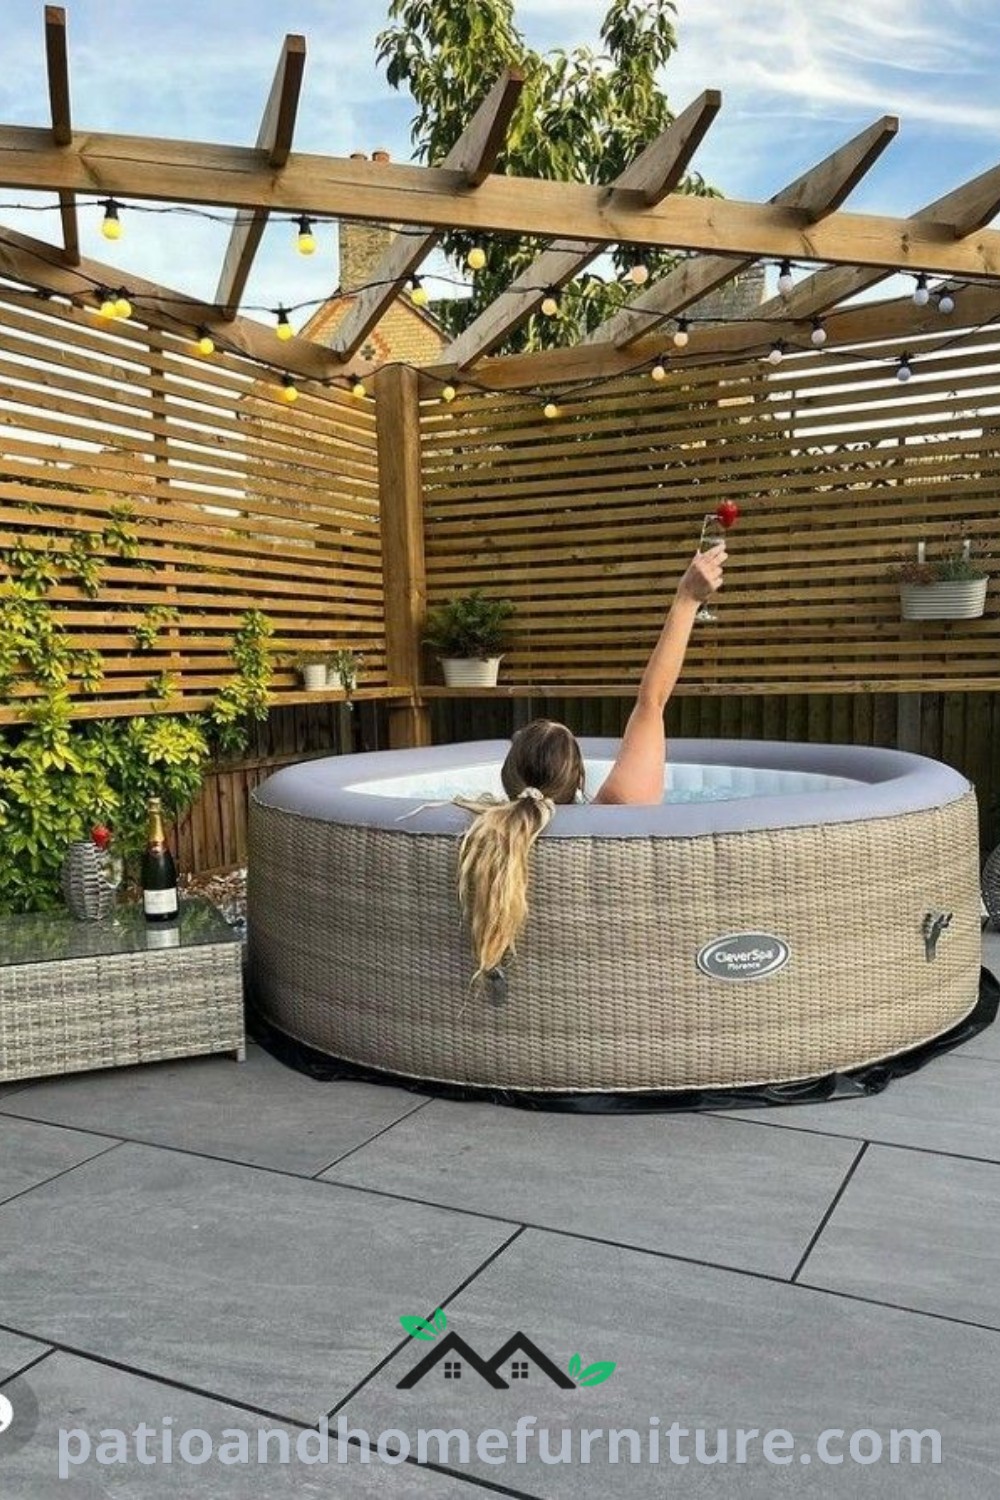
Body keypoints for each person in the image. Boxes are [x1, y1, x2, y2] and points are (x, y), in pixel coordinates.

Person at [456, 541, 727, 981]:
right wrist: (687, 598)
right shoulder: (618, 812)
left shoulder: (475, 832)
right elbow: (652, 701)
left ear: (508, 779)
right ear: (579, 776)